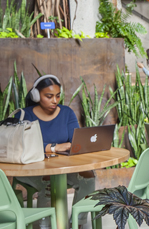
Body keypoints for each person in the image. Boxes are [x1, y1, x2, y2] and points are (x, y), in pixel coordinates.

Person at [14, 75, 94, 227]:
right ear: (36, 96)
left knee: (89, 176)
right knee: (49, 180)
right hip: (31, 168)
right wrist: (53, 147)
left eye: (57, 96)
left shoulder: (66, 113)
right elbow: (22, 144)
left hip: (60, 167)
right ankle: (45, 225)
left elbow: (74, 141)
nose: (55, 101)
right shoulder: (24, 115)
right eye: (49, 96)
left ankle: (78, 222)